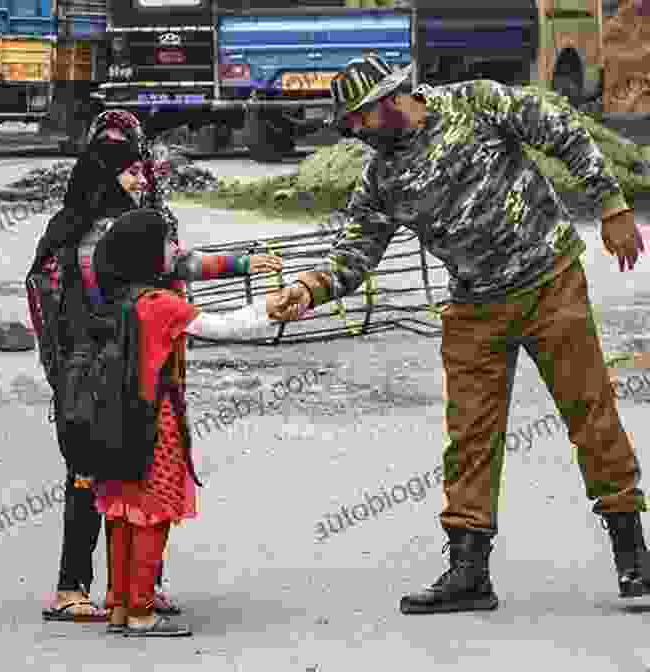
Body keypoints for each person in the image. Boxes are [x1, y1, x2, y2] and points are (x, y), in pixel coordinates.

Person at [270, 55, 649, 613]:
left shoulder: (476, 102)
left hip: (550, 280)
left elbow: (560, 129)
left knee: (590, 413)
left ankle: (632, 556)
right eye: (348, 122)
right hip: (475, 307)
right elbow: (355, 253)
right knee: (470, 436)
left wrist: (611, 204)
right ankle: (468, 572)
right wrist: (308, 289)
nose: (355, 130)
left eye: (360, 117)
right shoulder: (382, 176)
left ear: (392, 99)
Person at [31, 111, 281, 622]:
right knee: (93, 476)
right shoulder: (87, 232)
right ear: (103, 169)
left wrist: (239, 263)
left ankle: (135, 590)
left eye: (141, 168)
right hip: (92, 374)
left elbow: (176, 263)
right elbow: (62, 305)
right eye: (130, 170)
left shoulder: (127, 224)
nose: (140, 178)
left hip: (130, 372)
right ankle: (75, 587)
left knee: (128, 479)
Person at [91, 209, 279, 636]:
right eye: (166, 244)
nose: (174, 252)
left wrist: (236, 264)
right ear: (145, 253)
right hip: (156, 422)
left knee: (121, 512)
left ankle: (120, 605)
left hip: (114, 419)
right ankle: (142, 612)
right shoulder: (161, 305)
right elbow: (227, 327)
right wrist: (271, 309)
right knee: (153, 514)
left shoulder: (116, 297)